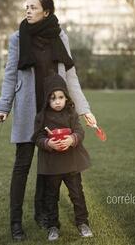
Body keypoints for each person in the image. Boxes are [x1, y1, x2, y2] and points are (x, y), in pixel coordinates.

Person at [0, 0, 97, 241]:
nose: (27, 10)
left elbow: (70, 75)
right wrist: (3, 106)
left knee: (46, 166)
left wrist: (84, 109)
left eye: (33, 7)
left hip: (53, 110)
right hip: (28, 108)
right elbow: (10, 74)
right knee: (22, 165)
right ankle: (15, 222)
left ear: (46, 11)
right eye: (26, 7)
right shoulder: (18, 38)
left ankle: (42, 214)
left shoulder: (59, 36)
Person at [32, 74, 93, 241]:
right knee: (51, 196)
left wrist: (72, 139)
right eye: (53, 98)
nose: (57, 101)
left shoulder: (71, 114)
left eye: (60, 97)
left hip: (71, 162)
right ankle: (53, 226)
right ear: (47, 100)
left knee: (77, 194)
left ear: (66, 98)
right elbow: (36, 137)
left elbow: (80, 131)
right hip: (52, 165)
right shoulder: (42, 117)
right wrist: (48, 143)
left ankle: (82, 222)